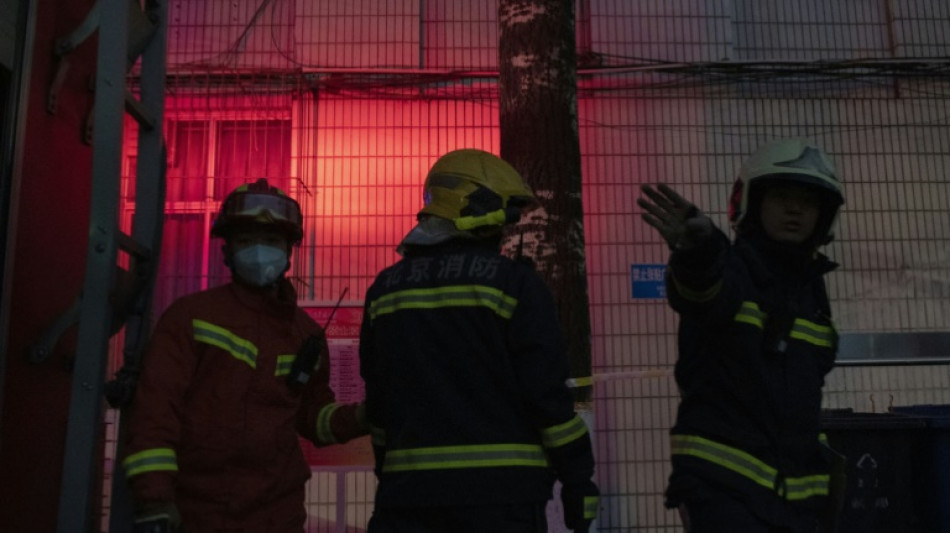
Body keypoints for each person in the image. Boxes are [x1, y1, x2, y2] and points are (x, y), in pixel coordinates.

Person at [359, 148, 599, 533]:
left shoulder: (384, 290)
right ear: (480, 208)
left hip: (408, 501)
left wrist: (392, 479)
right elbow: (549, 402)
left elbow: (381, 405)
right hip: (501, 502)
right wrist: (578, 480)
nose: (506, 233)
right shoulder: (514, 286)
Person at [121, 178, 369, 532]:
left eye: (270, 241)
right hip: (196, 514)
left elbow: (314, 418)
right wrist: (154, 499)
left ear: (288, 250)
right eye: (246, 240)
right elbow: (156, 410)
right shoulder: (191, 317)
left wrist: (363, 416)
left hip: (278, 515)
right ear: (228, 250)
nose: (259, 250)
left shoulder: (305, 334)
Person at [637, 138, 845, 533]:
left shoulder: (811, 291)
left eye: (809, 201)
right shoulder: (731, 267)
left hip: (798, 499)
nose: (796, 209)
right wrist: (699, 252)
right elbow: (702, 290)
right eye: (782, 196)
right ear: (751, 201)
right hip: (725, 488)